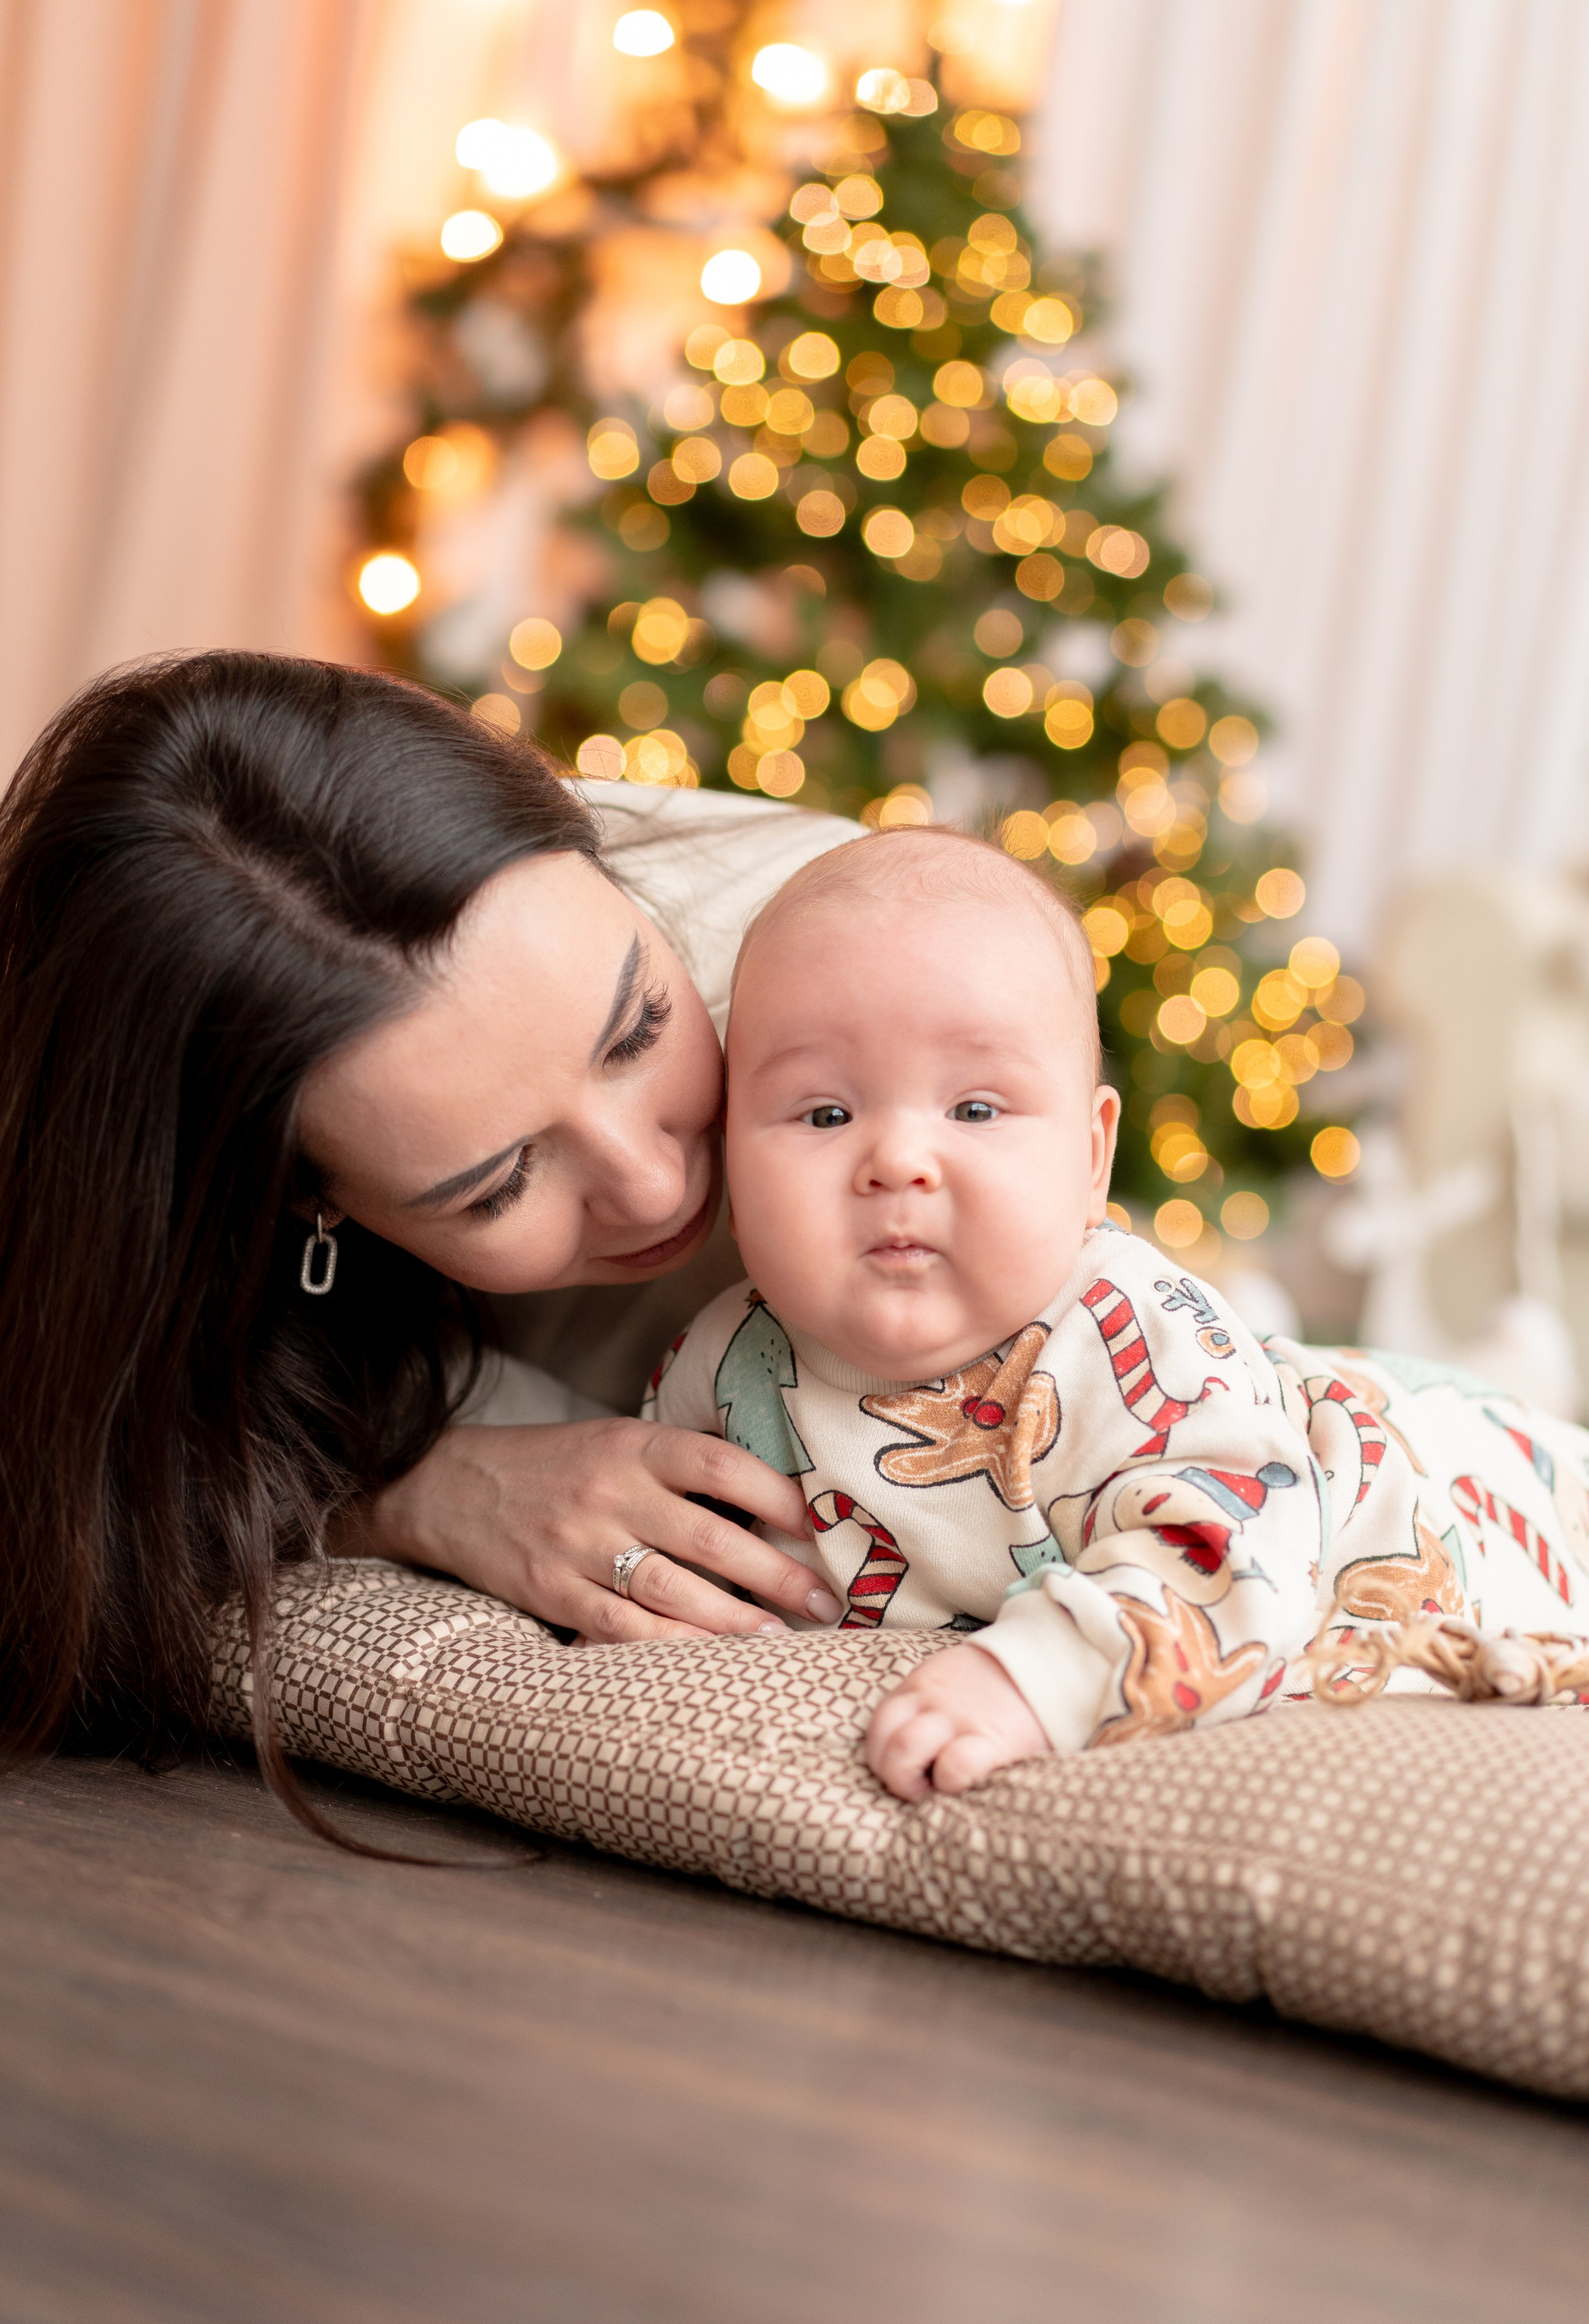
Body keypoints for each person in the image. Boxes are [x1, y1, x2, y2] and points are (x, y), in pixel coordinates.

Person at [0, 651, 865, 1828]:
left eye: (639, 1028)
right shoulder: (130, 1198)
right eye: (499, 1182)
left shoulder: (856, 958)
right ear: (310, 1205)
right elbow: (74, 1512)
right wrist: (411, 1488)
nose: (654, 1183)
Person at [645, 827, 1589, 1800]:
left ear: (1091, 1161)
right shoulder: (721, 1359)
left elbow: (1230, 1564)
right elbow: (655, 1528)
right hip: (1284, 1390)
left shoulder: (1123, 1327)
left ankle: (1516, 1372)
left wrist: (1034, 1678)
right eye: (825, 1114)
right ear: (731, 1149)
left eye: (975, 1110)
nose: (898, 1161)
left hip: (1421, 1488)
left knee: (1524, 1464)